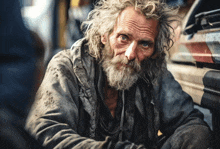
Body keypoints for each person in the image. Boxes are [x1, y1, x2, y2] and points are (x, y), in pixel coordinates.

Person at [25, 0, 212, 148]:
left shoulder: (151, 69)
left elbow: (189, 123)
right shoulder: (67, 67)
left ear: (154, 49)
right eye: (123, 38)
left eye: (144, 44)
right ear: (104, 35)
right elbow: (44, 131)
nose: (131, 54)